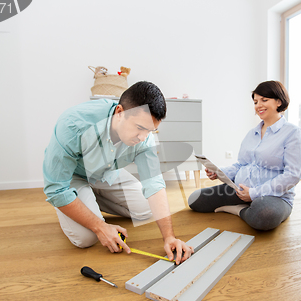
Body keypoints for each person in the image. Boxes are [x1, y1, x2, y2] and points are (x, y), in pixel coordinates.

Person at [43, 81, 193, 264]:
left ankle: (87, 202)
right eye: (140, 128)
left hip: (105, 173)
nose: (143, 138)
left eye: (150, 131)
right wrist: (100, 226)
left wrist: (169, 237)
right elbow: (56, 189)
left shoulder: (144, 139)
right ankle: (78, 202)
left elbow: (154, 184)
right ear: (120, 112)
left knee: (146, 209)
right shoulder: (74, 124)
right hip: (73, 177)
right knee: (86, 238)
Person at [188, 81, 301, 231]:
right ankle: (246, 204)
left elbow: (292, 175)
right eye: (256, 101)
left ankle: (239, 210)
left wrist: (254, 193)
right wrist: (219, 172)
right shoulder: (252, 134)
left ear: (279, 102)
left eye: (264, 100)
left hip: (274, 197)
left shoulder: (293, 133)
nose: (258, 105)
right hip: (241, 190)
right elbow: (241, 165)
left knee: (264, 214)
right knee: (195, 200)